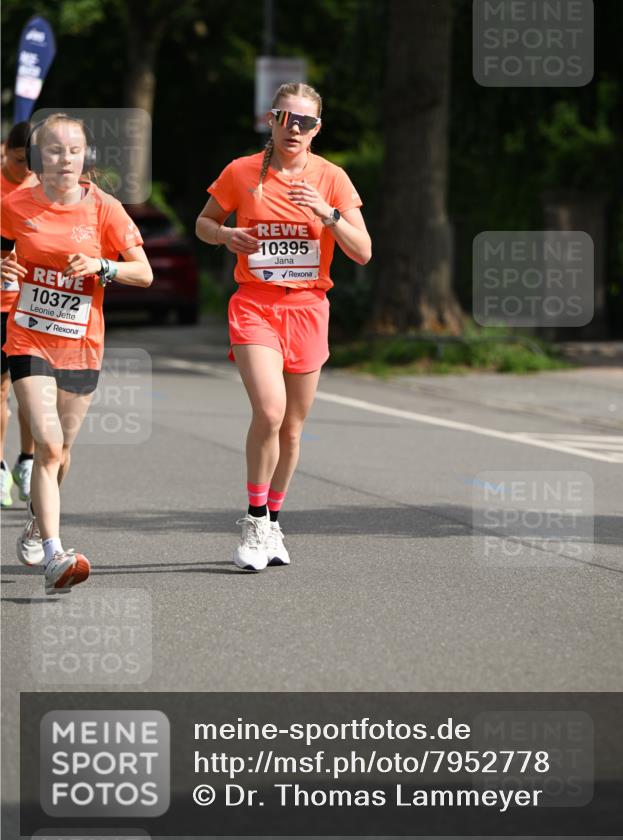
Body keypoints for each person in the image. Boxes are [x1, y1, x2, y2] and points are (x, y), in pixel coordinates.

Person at [196, 83, 372, 571]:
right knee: (270, 412)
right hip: (255, 304)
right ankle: (254, 521)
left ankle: (273, 520)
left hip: (309, 309)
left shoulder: (332, 178)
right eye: (285, 118)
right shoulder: (241, 171)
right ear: (270, 120)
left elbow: (362, 251)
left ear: (317, 129)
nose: (294, 128)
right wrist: (225, 234)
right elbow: (203, 223)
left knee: (292, 428)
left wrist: (327, 213)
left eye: (305, 122)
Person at [0, 113, 153, 594]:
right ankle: (55, 555)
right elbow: (3, 252)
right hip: (28, 337)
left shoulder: (105, 209)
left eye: (73, 150)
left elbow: (143, 272)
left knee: (62, 452)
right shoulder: (15, 204)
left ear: (86, 155)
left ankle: (35, 523)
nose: (64, 159)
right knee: (47, 445)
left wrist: (102, 266)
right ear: (37, 156)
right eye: (53, 150)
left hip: (82, 344)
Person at [1, 121, 39, 507]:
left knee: (31, 393)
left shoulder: (42, 189)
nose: (24, 169)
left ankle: (26, 461)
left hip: (31, 307)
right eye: (17, 160)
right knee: (0, 389)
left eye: (31, 161)